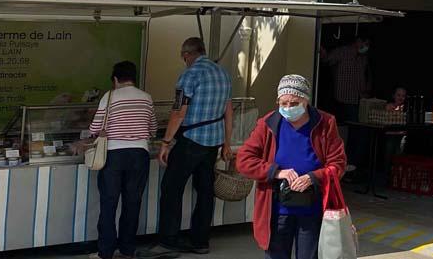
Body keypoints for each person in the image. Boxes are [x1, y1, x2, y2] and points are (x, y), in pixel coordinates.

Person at [139, 38, 233, 258]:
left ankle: (168, 241)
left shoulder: (189, 75)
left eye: (183, 55)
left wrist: (166, 142)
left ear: (187, 54)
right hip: (213, 142)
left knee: (172, 188)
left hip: (191, 139)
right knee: (205, 191)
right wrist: (226, 142)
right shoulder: (223, 73)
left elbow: (178, 112)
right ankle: (200, 241)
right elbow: (229, 111)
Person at [237, 74, 347, 259]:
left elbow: (338, 163)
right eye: (283, 103)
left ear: (306, 101)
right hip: (277, 211)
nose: (288, 108)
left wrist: (312, 177)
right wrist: (276, 172)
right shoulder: (268, 124)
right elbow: (244, 160)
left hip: (312, 211)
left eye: (294, 103)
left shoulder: (325, 122)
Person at [89, 61, 157, 259]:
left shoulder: (110, 97)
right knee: (132, 202)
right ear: (133, 78)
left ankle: (106, 252)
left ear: (116, 79)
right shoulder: (146, 97)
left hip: (114, 155)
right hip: (139, 155)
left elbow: (95, 128)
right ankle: (127, 248)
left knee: (109, 204)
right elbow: (152, 128)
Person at [322, 36, 371, 122]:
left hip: (359, 99)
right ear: (358, 41)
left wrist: (365, 91)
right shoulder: (342, 52)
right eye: (366, 44)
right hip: (344, 98)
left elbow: (364, 75)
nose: (366, 47)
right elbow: (327, 59)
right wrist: (322, 52)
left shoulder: (363, 57)